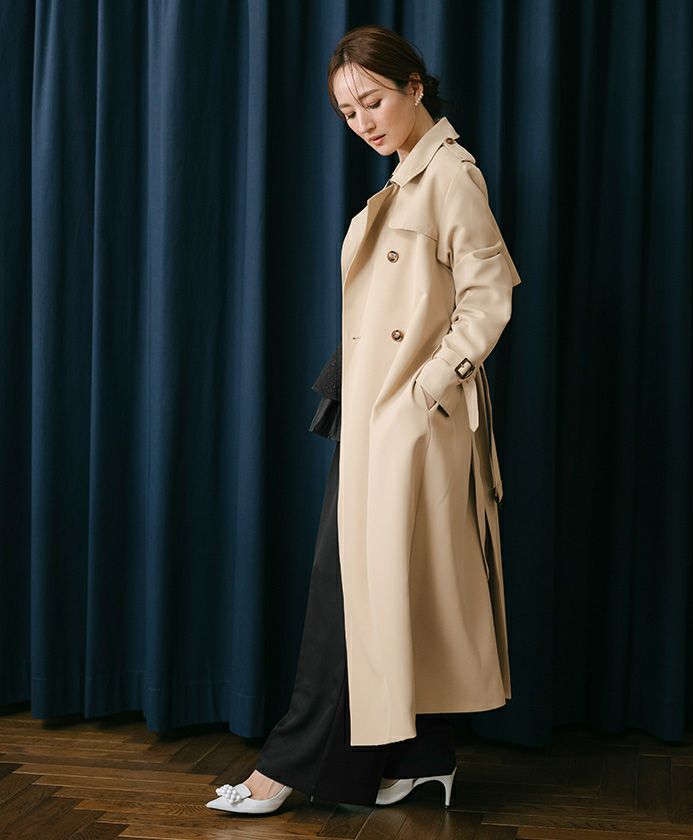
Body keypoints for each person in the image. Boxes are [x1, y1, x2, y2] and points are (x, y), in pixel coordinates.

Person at [206, 23, 521, 817]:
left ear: (414, 85)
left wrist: (424, 393)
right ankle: (425, 760)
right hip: (376, 418)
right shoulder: (406, 178)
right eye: (348, 113)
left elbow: (490, 297)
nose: (363, 123)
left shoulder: (449, 176)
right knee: (384, 594)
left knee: (348, 597)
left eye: (373, 102)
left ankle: (286, 769)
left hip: (411, 426)